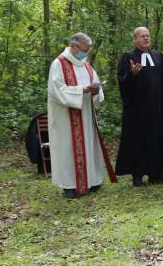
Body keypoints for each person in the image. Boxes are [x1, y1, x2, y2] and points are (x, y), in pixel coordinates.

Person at [47, 33, 116, 198]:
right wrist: (82, 90)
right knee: (68, 148)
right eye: (84, 50)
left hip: (86, 114)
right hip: (66, 117)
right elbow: (56, 91)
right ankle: (69, 185)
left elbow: (96, 85)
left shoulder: (86, 64)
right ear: (73, 45)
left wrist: (96, 91)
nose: (85, 54)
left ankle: (91, 181)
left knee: (89, 146)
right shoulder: (59, 64)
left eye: (88, 50)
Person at [115, 27, 163, 187]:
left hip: (157, 108)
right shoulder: (128, 57)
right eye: (142, 37)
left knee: (158, 138)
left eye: (148, 36)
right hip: (137, 110)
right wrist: (131, 75)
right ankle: (137, 176)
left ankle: (157, 174)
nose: (146, 39)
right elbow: (121, 81)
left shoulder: (159, 56)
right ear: (135, 40)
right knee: (138, 140)